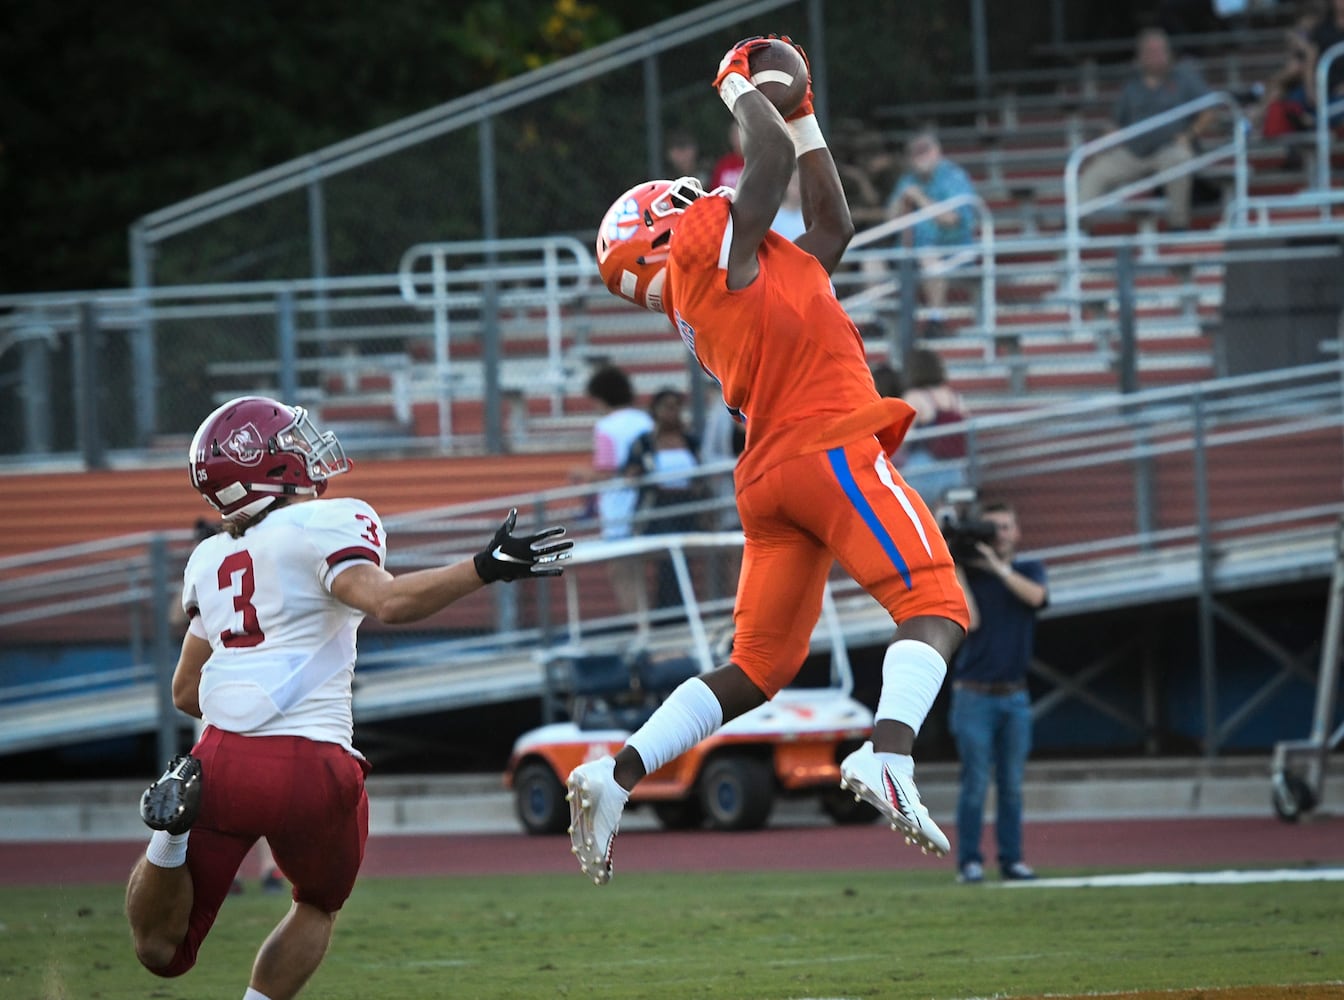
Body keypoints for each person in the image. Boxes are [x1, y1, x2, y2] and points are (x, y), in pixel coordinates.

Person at [578, 33, 969, 885]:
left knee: (758, 668)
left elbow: (835, 226)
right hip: (825, 444)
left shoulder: (740, 277)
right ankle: (888, 754)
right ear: (658, 230)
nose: (692, 197)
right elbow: (758, 159)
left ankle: (617, 773)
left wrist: (805, 118)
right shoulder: (704, 246)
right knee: (936, 607)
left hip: (772, 475)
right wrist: (736, 85)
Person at [126, 395, 571, 999]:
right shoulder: (326, 522)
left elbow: (185, 691)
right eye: (290, 442)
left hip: (220, 762)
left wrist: (247, 716)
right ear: (264, 463)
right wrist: (486, 566)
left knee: (160, 950)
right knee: (316, 905)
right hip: (313, 762)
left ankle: (168, 836)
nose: (307, 450)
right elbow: (388, 602)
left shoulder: (210, 558)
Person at [948, 500, 1048, 884]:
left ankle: (1012, 859)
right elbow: (969, 621)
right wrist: (957, 563)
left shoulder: (1027, 569)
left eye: (1006, 527)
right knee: (974, 783)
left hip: (1015, 695)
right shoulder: (969, 575)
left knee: (1011, 785)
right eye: (992, 528)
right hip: (974, 694)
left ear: (1017, 532)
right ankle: (970, 861)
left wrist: (998, 567)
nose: (999, 535)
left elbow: (1036, 598)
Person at [1076, 27, 1215, 232]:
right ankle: (1078, 225)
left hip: (1170, 148)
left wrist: (1189, 135)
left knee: (1179, 160)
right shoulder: (1132, 86)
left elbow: (1209, 112)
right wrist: (1107, 138)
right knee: (1094, 172)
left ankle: (1178, 225)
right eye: (1150, 52)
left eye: (1160, 51)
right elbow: (1115, 122)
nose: (1156, 57)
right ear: (1140, 57)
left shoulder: (1185, 78)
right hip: (1134, 152)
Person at [570, 364, 655, 615]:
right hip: (647, 501)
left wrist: (580, 474)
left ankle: (642, 627)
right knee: (637, 569)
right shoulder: (646, 420)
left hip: (618, 507)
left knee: (621, 571)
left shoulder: (606, 427)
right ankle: (646, 624)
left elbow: (607, 471)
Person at [885, 127, 977, 337]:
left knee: (928, 256)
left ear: (937, 151)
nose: (921, 157)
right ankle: (878, 321)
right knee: (872, 260)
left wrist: (919, 198)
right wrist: (902, 201)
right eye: (916, 153)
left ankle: (937, 319)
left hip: (952, 249)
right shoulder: (908, 180)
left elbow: (952, 219)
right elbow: (891, 221)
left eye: (926, 151)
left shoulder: (953, 176)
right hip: (909, 250)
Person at [624, 388, 705, 608]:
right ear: (656, 411)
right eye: (667, 407)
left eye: (677, 408)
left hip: (686, 504)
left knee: (685, 559)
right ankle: (666, 608)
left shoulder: (689, 440)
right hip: (659, 506)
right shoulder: (646, 442)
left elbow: (700, 470)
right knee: (665, 560)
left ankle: (682, 607)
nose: (673, 413)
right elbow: (630, 471)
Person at [897, 347, 970, 506]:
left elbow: (902, 438)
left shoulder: (914, 396)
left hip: (924, 470)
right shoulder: (954, 396)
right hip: (955, 470)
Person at [708, 119, 745, 190]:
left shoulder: (757, 163)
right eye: (734, 133)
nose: (736, 137)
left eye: (739, 132)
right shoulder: (723, 164)